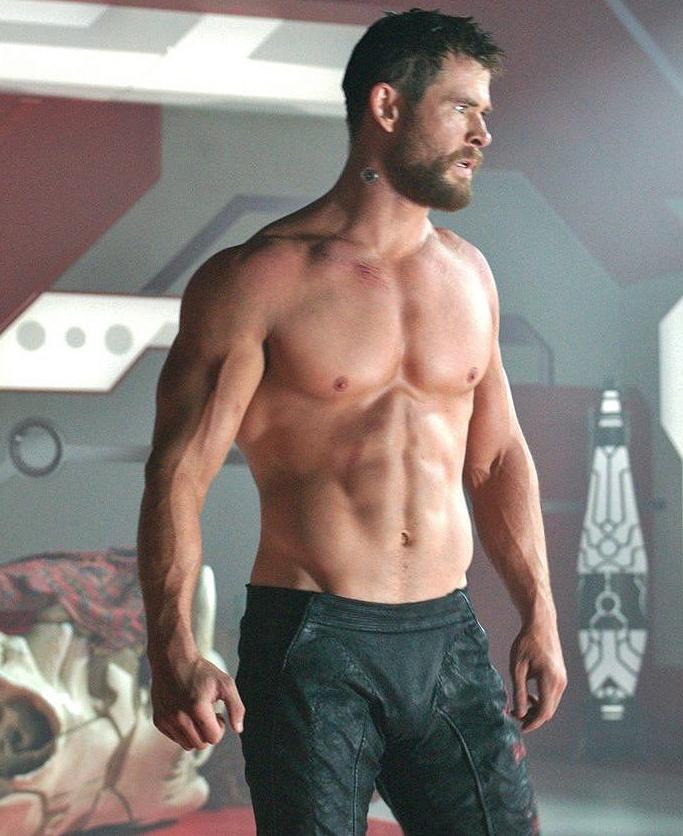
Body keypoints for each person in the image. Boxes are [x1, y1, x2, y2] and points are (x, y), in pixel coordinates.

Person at [137, 8, 567, 834]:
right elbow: (178, 473)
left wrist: (538, 614)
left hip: (446, 634)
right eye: (461, 107)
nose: (481, 133)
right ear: (386, 106)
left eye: (484, 112)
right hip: (314, 641)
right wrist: (172, 650)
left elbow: (495, 459)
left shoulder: (469, 275)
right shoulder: (259, 279)